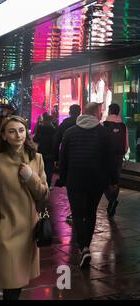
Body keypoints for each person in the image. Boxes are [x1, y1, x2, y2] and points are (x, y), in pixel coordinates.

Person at [0, 115, 49, 300]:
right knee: (10, 285)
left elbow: (44, 194)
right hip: (6, 231)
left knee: (18, 284)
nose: (18, 135)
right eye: (11, 131)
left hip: (29, 230)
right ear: (3, 135)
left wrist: (30, 178)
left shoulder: (37, 159)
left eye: (21, 130)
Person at [58, 102, 118, 268]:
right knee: (90, 212)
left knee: (77, 213)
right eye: (100, 111)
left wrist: (62, 178)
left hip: (75, 179)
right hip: (96, 180)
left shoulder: (70, 133)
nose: (102, 113)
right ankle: (86, 246)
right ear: (96, 113)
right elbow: (110, 160)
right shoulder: (104, 134)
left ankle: (83, 247)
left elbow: (63, 159)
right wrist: (113, 180)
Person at [53, 104, 81, 222]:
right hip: (82, 158)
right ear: (79, 112)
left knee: (71, 185)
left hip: (68, 158)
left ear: (70, 112)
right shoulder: (82, 123)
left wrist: (56, 157)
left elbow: (56, 140)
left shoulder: (64, 124)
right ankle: (80, 210)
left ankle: (75, 211)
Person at [103, 103, 128, 218]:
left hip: (107, 156)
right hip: (118, 156)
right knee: (116, 180)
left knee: (105, 179)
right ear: (118, 112)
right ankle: (112, 201)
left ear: (109, 111)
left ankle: (111, 200)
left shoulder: (105, 124)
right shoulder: (123, 126)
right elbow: (126, 145)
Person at [33, 113, 57, 188]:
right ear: (51, 121)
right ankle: (48, 185)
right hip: (50, 152)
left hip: (41, 151)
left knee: (40, 168)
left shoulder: (40, 128)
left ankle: (41, 184)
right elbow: (56, 141)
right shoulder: (54, 129)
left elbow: (35, 139)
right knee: (49, 170)